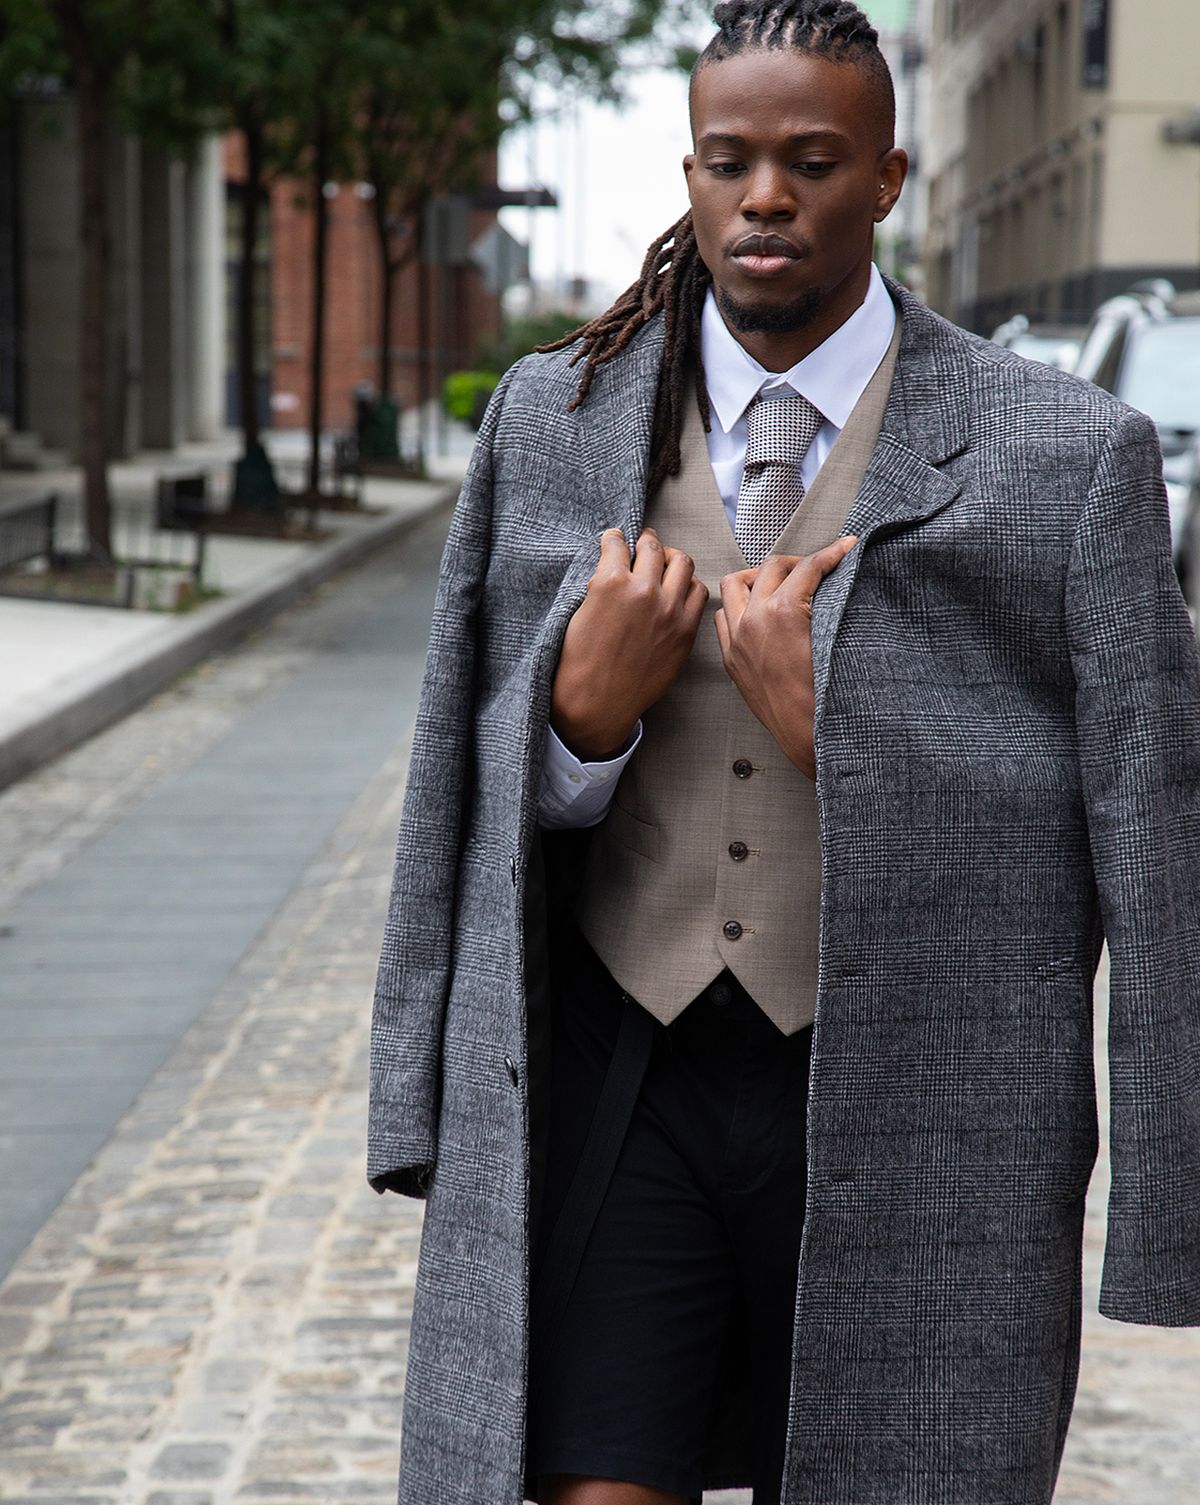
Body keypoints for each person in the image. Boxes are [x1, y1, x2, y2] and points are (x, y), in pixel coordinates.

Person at [368, 3, 1200, 1503]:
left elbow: (1152, 840)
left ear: (886, 178)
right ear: (689, 173)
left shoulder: (1067, 454)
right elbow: (454, 786)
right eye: (729, 161)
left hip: (923, 1100)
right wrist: (577, 723)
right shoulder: (553, 419)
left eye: (812, 163)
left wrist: (847, 738)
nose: (766, 198)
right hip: (625, 1075)